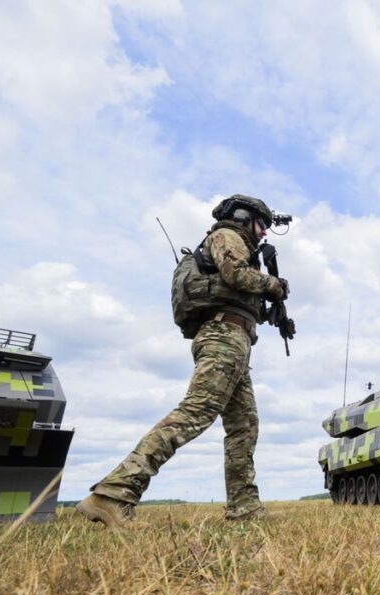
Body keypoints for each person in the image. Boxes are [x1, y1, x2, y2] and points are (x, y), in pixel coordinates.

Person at [76, 194, 287, 527]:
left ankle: (244, 509)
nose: (264, 234)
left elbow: (237, 289)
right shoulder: (226, 236)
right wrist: (272, 285)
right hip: (223, 338)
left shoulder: (240, 243)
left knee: (244, 427)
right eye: (263, 225)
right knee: (195, 413)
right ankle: (113, 494)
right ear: (246, 217)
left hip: (236, 341)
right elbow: (235, 276)